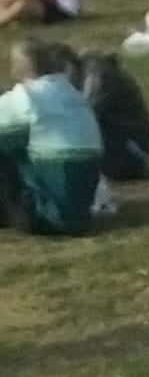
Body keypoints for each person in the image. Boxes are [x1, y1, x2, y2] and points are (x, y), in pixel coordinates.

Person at [0, 36, 103, 235]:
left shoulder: (28, 97)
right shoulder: (71, 93)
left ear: (17, 69)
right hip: (79, 214)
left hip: (46, 216)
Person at [71, 47, 149, 179]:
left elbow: (85, 116)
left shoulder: (100, 74)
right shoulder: (91, 72)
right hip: (128, 151)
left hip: (132, 156)